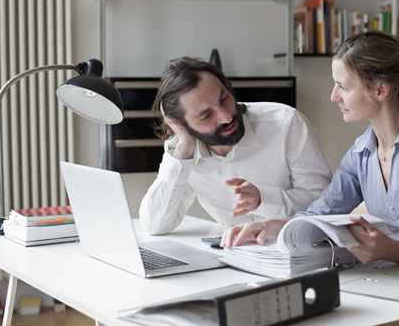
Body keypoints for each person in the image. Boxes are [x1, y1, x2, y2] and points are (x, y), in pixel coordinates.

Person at [222, 31, 399, 276]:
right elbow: (320, 213)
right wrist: (274, 226)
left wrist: (388, 249)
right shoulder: (361, 153)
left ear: (381, 90)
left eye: (343, 86)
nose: (334, 96)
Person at [139, 57, 331, 234]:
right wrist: (183, 149)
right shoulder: (183, 151)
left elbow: (323, 203)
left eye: (224, 98)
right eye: (206, 115)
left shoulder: (285, 123)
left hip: (292, 249)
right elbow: (154, 225)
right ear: (182, 125)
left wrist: (263, 199)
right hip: (232, 255)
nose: (226, 116)